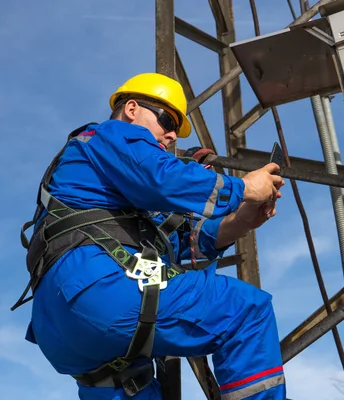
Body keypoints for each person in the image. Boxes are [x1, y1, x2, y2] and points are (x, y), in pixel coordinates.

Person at [14, 73, 286, 400]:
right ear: (131, 109)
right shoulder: (110, 135)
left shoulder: (113, 197)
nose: (171, 136)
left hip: (62, 328)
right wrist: (242, 188)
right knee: (244, 310)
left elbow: (177, 245)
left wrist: (241, 220)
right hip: (97, 290)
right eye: (167, 120)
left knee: (130, 382)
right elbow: (162, 177)